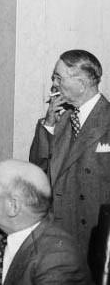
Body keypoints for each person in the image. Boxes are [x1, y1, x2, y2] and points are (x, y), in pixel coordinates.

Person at [29, 49, 110, 275]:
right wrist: (48, 125)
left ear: (81, 83)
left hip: (95, 234)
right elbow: (38, 168)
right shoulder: (62, 117)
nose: (53, 84)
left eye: (58, 77)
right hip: (59, 231)